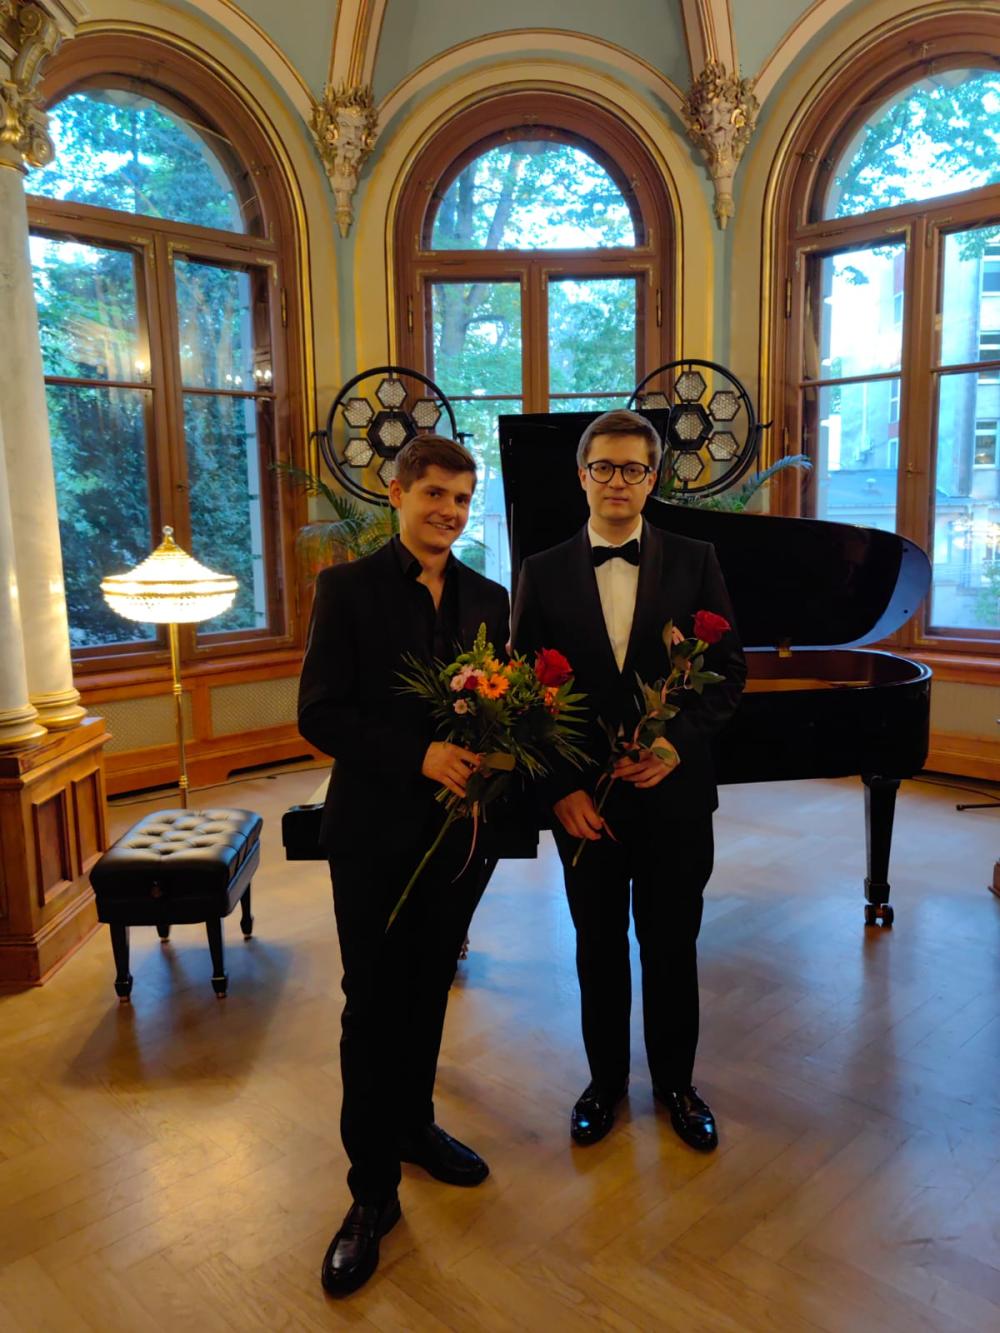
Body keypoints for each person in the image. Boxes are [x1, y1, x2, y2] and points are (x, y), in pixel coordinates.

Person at [298, 435, 509, 1296]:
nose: (448, 511)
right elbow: (320, 713)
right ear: (396, 493)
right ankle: (370, 1190)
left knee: (427, 991)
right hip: (372, 835)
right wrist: (419, 755)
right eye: (434, 494)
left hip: (458, 840)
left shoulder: (490, 597)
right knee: (373, 1004)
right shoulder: (346, 589)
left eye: (461, 498)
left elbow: (501, 709)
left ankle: (415, 1126)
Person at [512, 409, 746, 1152]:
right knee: (598, 946)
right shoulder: (541, 570)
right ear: (582, 476)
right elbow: (524, 694)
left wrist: (674, 743)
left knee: (673, 945)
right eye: (604, 467)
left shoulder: (696, 559)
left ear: (653, 478)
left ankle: (677, 1085)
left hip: (674, 797)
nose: (618, 481)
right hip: (586, 804)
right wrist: (559, 789)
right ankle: (604, 1083)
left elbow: (728, 674)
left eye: (634, 468)